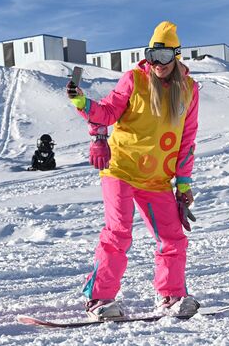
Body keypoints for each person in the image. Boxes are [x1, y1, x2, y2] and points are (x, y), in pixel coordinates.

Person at [67, 21, 200, 320]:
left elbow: (187, 138)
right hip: (121, 168)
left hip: (157, 178)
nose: (157, 63)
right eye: (152, 55)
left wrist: (183, 183)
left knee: (173, 238)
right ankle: (99, 299)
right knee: (118, 233)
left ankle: (171, 296)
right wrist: (81, 101)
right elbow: (108, 110)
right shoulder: (135, 79)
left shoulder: (189, 90)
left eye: (164, 56)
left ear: (176, 56)